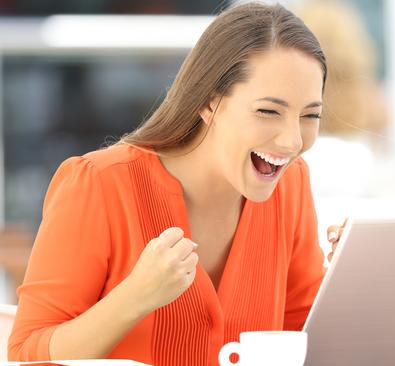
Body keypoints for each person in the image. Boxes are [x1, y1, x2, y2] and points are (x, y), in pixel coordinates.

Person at [9, 3, 342, 365]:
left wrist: (349, 275)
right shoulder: (99, 185)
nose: (292, 141)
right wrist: (133, 298)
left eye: (311, 115)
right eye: (268, 111)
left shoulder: (290, 186)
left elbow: (307, 339)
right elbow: (27, 355)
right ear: (209, 103)